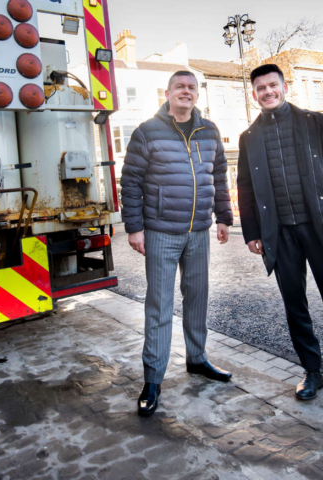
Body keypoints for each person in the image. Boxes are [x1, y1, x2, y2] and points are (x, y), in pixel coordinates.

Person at [120, 71, 233, 417]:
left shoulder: (209, 131)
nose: (186, 92)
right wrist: (135, 228)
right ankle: (153, 379)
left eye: (191, 88)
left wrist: (224, 217)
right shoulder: (147, 131)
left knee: (198, 296)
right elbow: (130, 181)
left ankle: (197, 359)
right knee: (160, 304)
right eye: (180, 87)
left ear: (197, 94)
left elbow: (218, 176)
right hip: (160, 233)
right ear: (167, 92)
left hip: (198, 231)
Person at [238, 64, 323, 401]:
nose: (268, 92)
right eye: (261, 88)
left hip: (318, 226)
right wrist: (251, 232)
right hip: (280, 233)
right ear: (255, 93)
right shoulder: (248, 138)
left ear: (285, 86)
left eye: (273, 85)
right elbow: (244, 186)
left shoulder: (315, 122)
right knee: (295, 304)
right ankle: (313, 370)